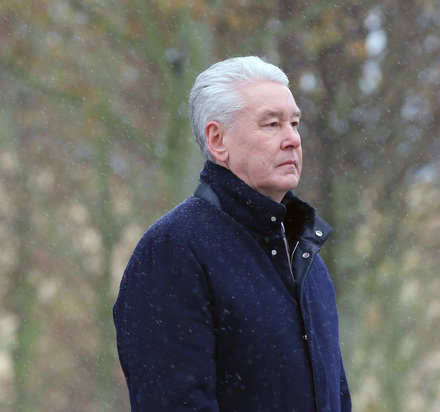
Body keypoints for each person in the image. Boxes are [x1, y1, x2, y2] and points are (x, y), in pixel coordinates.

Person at [113, 55, 352, 411]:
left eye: (294, 123)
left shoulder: (305, 255)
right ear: (218, 140)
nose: (292, 139)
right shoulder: (173, 250)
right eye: (272, 124)